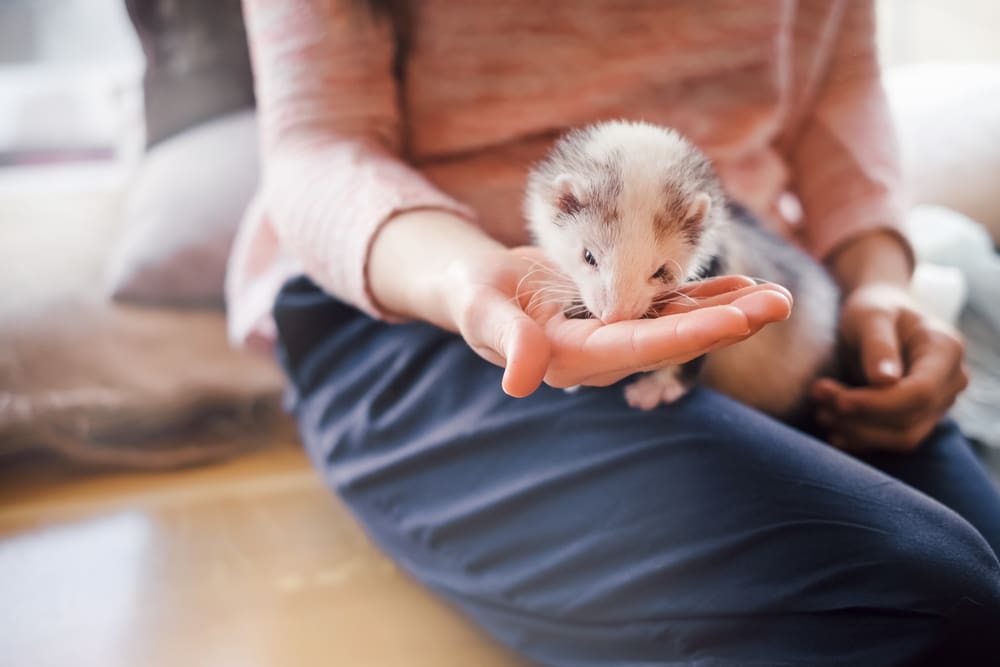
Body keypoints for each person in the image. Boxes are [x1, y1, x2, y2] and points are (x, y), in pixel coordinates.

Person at [226, 1, 1000, 663]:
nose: (618, 313)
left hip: (726, 260)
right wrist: (465, 278)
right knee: (924, 602)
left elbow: (842, 85)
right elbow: (318, 141)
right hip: (413, 286)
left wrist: (878, 284)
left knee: (983, 575)